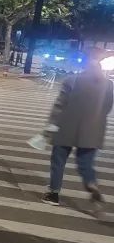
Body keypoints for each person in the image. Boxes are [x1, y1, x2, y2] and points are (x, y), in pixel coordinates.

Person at [42, 51, 113, 206]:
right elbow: (107, 107)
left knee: (58, 161)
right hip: (93, 130)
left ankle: (53, 194)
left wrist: (51, 125)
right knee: (86, 163)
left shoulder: (71, 80)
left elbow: (60, 105)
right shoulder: (108, 84)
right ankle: (91, 183)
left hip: (66, 126)